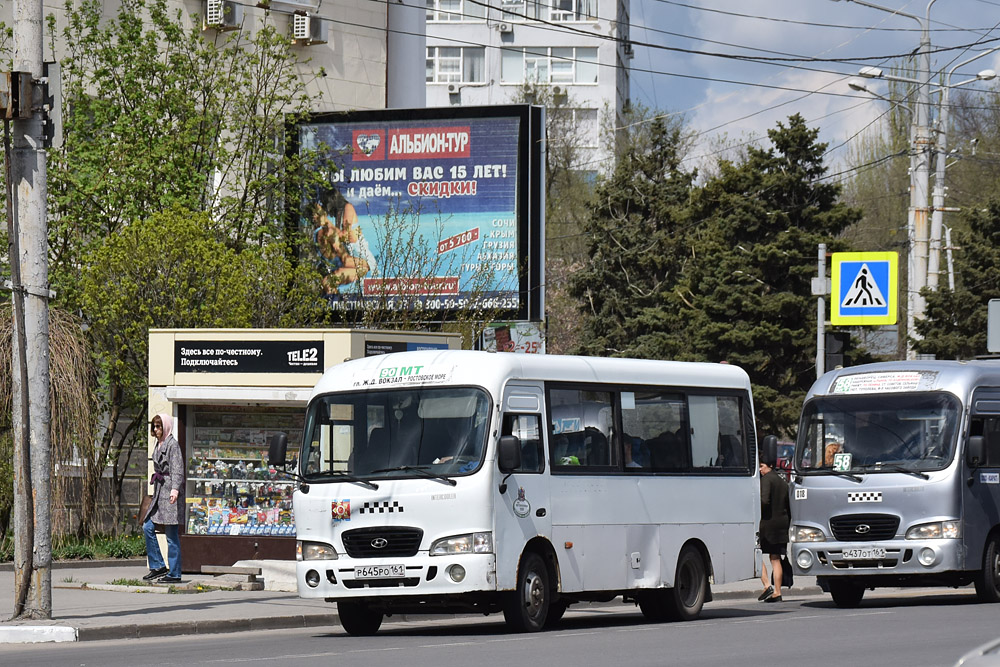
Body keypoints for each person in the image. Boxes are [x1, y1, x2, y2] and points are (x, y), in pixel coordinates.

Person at [142, 413, 184, 583]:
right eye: (154, 426)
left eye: (159, 426)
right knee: (147, 526)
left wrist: (175, 490)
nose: (156, 429)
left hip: (170, 495)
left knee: (171, 535)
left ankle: (174, 573)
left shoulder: (172, 445)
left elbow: (177, 469)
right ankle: (158, 565)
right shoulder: (158, 444)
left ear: (165, 427)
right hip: (160, 492)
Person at [758, 451, 790, 603]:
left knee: (756, 555)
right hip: (782, 524)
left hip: (768, 524)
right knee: (775, 558)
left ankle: (766, 585)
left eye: (762, 466)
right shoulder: (783, 482)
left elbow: (764, 501)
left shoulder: (766, 480)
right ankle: (777, 592)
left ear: (769, 466)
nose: (760, 470)